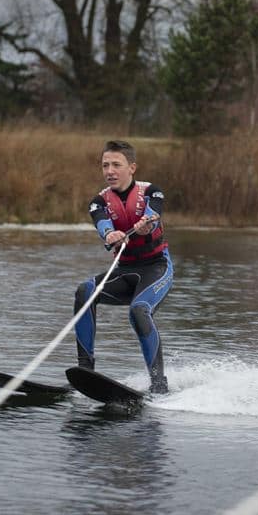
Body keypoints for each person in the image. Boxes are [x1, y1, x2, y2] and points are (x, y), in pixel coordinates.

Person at [73, 140, 174, 394]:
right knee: (85, 291)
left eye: (116, 165)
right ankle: (85, 372)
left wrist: (147, 224)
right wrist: (109, 234)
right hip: (123, 271)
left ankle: (159, 386)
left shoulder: (152, 191)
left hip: (156, 269)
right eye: (105, 165)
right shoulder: (98, 201)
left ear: (132, 168)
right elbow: (101, 223)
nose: (110, 171)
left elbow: (154, 213)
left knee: (138, 310)